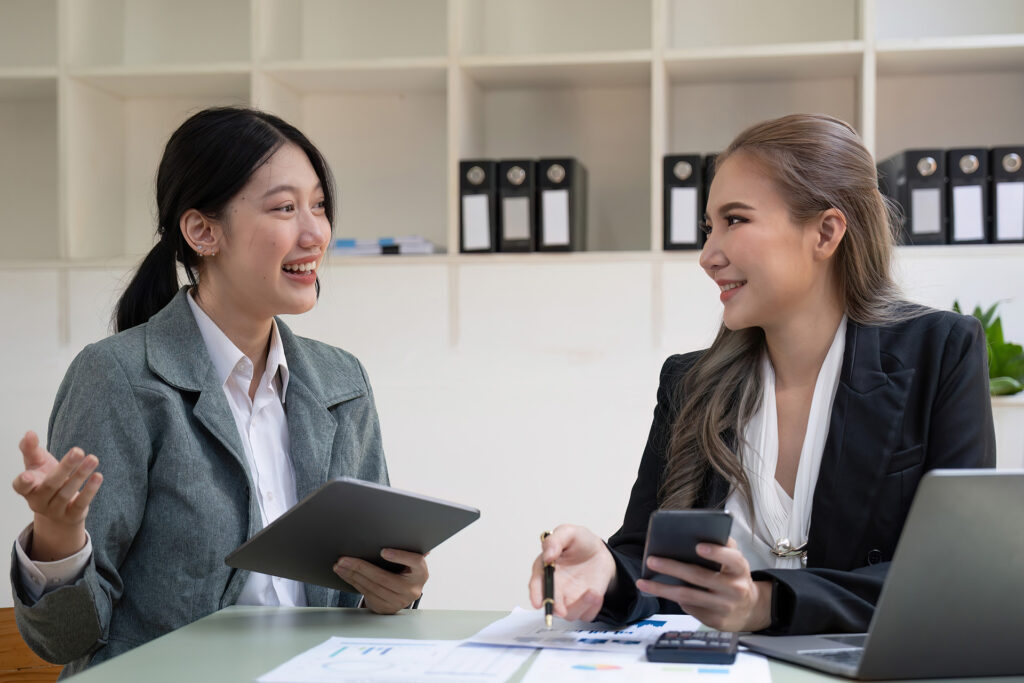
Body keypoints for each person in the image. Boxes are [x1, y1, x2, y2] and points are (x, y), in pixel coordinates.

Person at [528, 113, 995, 635]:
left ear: (825, 232)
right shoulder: (689, 382)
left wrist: (765, 603)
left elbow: (953, 576)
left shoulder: (940, 351)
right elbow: (647, 557)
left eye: (735, 220)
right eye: (710, 227)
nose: (708, 256)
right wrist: (607, 571)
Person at [10, 107, 428, 676]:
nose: (315, 233)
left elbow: (364, 595)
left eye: (319, 206)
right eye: (285, 208)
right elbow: (67, 641)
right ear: (203, 231)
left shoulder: (341, 381)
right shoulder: (119, 379)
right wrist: (57, 540)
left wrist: (394, 592)